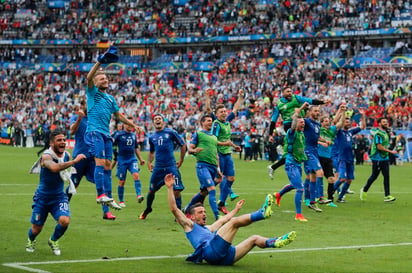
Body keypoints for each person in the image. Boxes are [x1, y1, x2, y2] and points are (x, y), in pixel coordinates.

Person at [165, 173, 296, 265]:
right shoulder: (189, 226)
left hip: (225, 257)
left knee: (254, 239)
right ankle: (262, 213)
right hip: (211, 251)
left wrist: (235, 210)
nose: (204, 214)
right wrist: (170, 188)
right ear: (191, 217)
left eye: (204, 211)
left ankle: (274, 242)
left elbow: (222, 220)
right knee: (234, 223)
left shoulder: (207, 229)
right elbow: (174, 209)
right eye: (200, 212)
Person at [85, 45, 143, 210]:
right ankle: (100, 194)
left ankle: (109, 197)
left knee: (109, 165)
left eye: (106, 79)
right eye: (102, 78)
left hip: (106, 134)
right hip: (94, 131)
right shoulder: (92, 92)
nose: (105, 80)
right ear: (96, 82)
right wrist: (99, 62)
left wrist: (134, 125)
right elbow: (89, 77)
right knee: (101, 162)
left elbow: (119, 116)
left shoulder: (110, 99)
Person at [26, 129, 86, 255]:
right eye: (59, 140)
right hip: (42, 198)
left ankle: (53, 240)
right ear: (52, 143)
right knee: (36, 229)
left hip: (59, 197)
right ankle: (31, 240)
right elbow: (54, 168)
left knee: (65, 220)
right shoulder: (46, 156)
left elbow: (66, 169)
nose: (63, 142)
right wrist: (74, 162)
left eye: (64, 140)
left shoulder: (66, 155)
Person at [66, 99, 116, 220]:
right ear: (82, 106)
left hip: (94, 156)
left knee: (102, 181)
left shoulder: (96, 119)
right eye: (85, 105)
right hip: (79, 157)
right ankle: (63, 206)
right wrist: (79, 118)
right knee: (73, 184)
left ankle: (106, 212)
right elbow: (71, 131)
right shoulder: (76, 117)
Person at [267, 87, 330, 179]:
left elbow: (310, 101)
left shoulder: (296, 98)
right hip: (289, 124)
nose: (290, 93)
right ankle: (285, 148)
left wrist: (322, 102)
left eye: (291, 91)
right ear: (283, 93)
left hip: (301, 123)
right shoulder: (279, 104)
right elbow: (273, 120)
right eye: (288, 91)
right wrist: (270, 134)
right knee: (296, 148)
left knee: (295, 152)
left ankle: (276, 163)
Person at [139, 114, 186, 220]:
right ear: (153, 122)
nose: (157, 120)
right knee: (151, 190)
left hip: (171, 166)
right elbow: (151, 152)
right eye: (155, 119)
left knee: (177, 190)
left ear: (163, 121)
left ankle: (178, 215)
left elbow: (183, 144)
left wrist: (182, 159)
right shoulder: (151, 137)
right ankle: (148, 208)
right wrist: (149, 162)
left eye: (159, 118)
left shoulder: (171, 132)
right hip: (158, 168)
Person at [205, 89, 243, 214]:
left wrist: (240, 97)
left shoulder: (226, 121)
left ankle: (221, 202)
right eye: (221, 112)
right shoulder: (216, 123)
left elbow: (235, 109)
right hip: (218, 153)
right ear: (217, 114)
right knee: (218, 179)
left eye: (224, 111)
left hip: (227, 153)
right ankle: (202, 193)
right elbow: (213, 140)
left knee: (231, 178)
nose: (224, 113)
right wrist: (207, 96)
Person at [272, 103, 310, 222]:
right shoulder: (291, 133)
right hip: (291, 163)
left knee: (295, 185)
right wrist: (297, 113)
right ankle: (298, 215)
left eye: (303, 122)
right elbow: (293, 126)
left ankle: (278, 195)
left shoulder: (302, 134)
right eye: (301, 122)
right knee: (300, 188)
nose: (303, 123)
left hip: (298, 163)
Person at [183, 115, 222, 220]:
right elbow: (190, 149)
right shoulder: (198, 134)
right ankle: (217, 217)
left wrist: (218, 169)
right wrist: (195, 151)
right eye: (208, 121)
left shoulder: (214, 137)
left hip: (213, 167)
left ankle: (187, 209)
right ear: (202, 123)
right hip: (203, 166)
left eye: (211, 121)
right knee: (212, 190)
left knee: (203, 193)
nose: (211, 122)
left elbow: (216, 154)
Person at [360, 118, 397, 202]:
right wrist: (390, 151)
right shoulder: (378, 134)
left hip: (385, 157)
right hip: (377, 158)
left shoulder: (386, 133)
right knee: (374, 176)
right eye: (384, 122)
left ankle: (387, 195)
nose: (386, 123)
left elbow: (386, 144)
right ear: (379, 124)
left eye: (386, 122)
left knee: (386, 176)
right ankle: (364, 190)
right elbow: (379, 147)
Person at [333, 109, 366, 203]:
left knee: (349, 180)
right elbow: (335, 123)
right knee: (342, 178)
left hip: (350, 159)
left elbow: (362, 126)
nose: (348, 123)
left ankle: (340, 198)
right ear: (343, 123)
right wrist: (342, 113)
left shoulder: (350, 132)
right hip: (342, 158)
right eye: (346, 122)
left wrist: (363, 116)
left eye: (349, 122)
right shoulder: (339, 132)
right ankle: (330, 193)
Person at [113, 116, 146, 207]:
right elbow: (113, 145)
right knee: (122, 181)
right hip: (122, 160)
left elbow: (136, 148)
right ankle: (121, 201)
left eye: (132, 124)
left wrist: (141, 159)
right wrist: (115, 155)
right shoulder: (119, 135)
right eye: (128, 124)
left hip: (132, 159)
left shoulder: (133, 135)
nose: (130, 126)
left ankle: (139, 195)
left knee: (136, 175)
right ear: (124, 124)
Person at [317, 104, 345, 208]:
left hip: (328, 158)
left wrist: (343, 112)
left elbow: (340, 123)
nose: (328, 123)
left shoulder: (331, 130)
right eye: (325, 121)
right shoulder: (318, 130)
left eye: (328, 122)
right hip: (318, 156)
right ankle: (318, 197)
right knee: (317, 176)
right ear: (321, 123)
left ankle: (330, 200)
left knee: (331, 179)